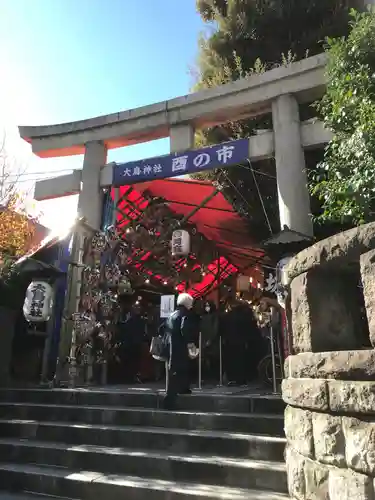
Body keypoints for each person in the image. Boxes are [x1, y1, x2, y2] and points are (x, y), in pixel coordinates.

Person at [163, 293, 198, 410]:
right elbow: (184, 329)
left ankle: (183, 388)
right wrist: (190, 342)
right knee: (178, 371)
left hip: (171, 346)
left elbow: (163, 328)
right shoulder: (185, 315)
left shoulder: (171, 315)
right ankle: (169, 400)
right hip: (180, 347)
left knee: (174, 371)